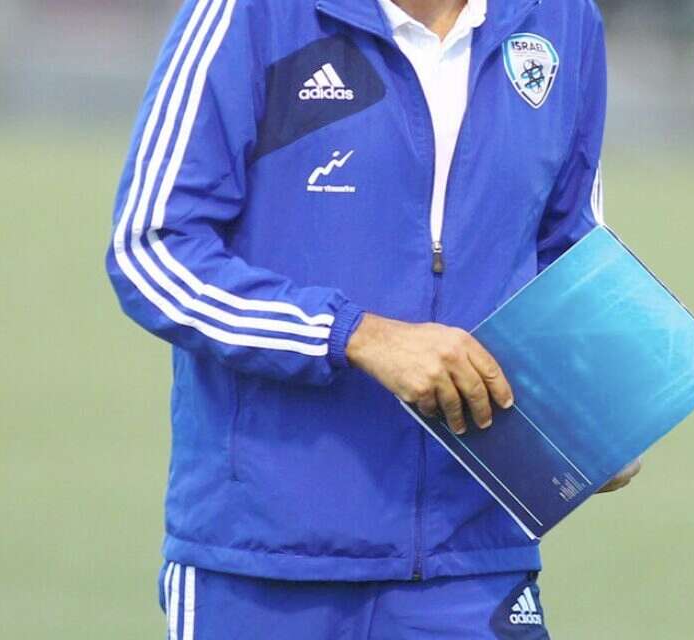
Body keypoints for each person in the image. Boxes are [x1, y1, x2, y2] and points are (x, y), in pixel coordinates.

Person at [106, 0, 640, 636]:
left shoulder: (561, 19)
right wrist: (354, 336)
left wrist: (599, 411)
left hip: (473, 558)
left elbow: (571, 247)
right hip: (263, 560)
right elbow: (152, 250)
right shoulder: (252, 15)